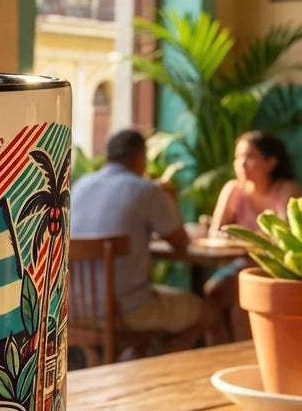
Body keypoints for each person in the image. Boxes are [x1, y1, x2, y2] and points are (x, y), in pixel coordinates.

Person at [70, 127, 223, 353]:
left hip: (73, 309)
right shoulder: (147, 190)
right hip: (124, 312)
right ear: (140, 158)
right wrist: (170, 199)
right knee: (212, 313)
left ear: (108, 155)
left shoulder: (80, 186)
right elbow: (181, 246)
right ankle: (171, 353)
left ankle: (153, 355)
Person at [205, 131, 302, 341]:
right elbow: (216, 232)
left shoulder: (288, 190)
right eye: (238, 157)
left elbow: (283, 238)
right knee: (212, 293)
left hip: (277, 269)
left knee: (242, 296)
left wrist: (238, 238)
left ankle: (246, 351)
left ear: (270, 162)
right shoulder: (233, 189)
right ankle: (222, 351)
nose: (241, 164)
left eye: (250, 157)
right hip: (240, 264)